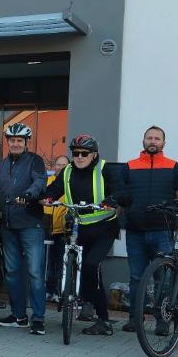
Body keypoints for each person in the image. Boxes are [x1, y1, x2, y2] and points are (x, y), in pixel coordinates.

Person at [44, 135, 121, 336]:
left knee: (91, 265)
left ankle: (104, 320)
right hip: (80, 228)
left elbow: (123, 191)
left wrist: (113, 199)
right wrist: (45, 197)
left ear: (94, 154)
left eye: (84, 153)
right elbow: (53, 189)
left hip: (104, 228)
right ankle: (81, 300)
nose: (79, 157)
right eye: (75, 153)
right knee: (83, 268)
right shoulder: (68, 170)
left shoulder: (104, 169)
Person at [118, 126, 178, 333]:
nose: (153, 141)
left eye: (157, 138)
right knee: (136, 277)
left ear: (164, 143)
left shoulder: (174, 166)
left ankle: (162, 320)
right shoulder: (129, 167)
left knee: (164, 278)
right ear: (143, 141)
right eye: (149, 137)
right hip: (135, 231)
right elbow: (121, 197)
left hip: (163, 231)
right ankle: (134, 318)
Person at [0, 123, 48, 335]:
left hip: (30, 223)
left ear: (26, 143)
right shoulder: (4, 163)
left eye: (19, 140)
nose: (15, 143)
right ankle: (19, 316)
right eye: (12, 140)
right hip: (8, 224)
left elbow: (40, 182)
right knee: (13, 272)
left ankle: (39, 318)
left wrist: (28, 194)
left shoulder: (35, 160)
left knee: (34, 272)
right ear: (8, 142)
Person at [44, 155, 70, 304]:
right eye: (58, 164)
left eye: (64, 165)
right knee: (46, 263)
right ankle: (47, 290)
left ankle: (57, 292)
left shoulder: (69, 183)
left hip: (62, 231)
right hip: (46, 228)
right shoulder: (47, 182)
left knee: (60, 263)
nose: (60, 167)